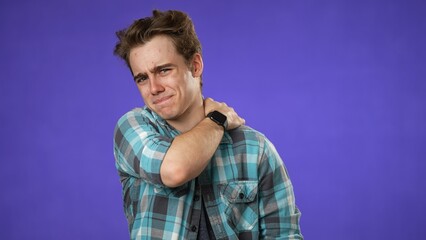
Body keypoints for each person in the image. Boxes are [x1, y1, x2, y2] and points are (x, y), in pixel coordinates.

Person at [113, 9, 303, 240]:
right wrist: (216, 120)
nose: (153, 88)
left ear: (195, 66)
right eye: (142, 78)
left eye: (163, 70)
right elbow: (175, 169)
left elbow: (284, 235)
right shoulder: (132, 128)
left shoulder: (255, 149)